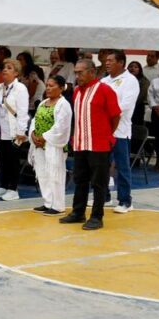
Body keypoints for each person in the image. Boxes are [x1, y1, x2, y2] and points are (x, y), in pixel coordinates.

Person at [59, 59, 121, 231]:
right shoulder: (76, 91)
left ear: (92, 72)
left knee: (99, 183)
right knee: (80, 179)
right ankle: (78, 212)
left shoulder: (105, 90)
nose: (77, 76)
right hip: (80, 143)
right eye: (76, 72)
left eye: (80, 72)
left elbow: (116, 115)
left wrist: (107, 134)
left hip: (99, 145)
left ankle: (96, 217)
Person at [29, 75, 73, 216]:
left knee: (55, 174)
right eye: (47, 85)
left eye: (52, 85)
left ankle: (58, 205)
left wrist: (44, 137)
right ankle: (48, 202)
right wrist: (33, 135)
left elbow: (61, 127)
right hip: (39, 144)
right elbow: (34, 121)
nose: (48, 88)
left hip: (54, 145)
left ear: (61, 88)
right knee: (42, 173)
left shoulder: (63, 105)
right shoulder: (43, 103)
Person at [102, 50, 140, 213]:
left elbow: (125, 105)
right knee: (101, 165)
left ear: (121, 63)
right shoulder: (104, 80)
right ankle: (104, 197)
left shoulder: (130, 81)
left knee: (122, 166)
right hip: (103, 130)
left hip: (120, 130)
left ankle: (125, 201)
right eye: (106, 60)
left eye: (111, 60)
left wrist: (106, 113)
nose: (107, 63)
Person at [0, 58, 29, 201]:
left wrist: (21, 132)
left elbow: (22, 112)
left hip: (14, 131)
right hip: (0, 130)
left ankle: (13, 189)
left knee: (13, 160)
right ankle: (3, 186)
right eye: (4, 67)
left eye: (9, 68)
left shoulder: (20, 89)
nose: (5, 70)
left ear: (16, 73)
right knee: (2, 159)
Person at [127, 60, 150, 129]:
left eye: (135, 67)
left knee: (136, 127)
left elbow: (142, 95)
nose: (133, 68)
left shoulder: (144, 81)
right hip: (125, 107)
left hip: (138, 107)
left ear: (139, 70)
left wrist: (131, 103)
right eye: (131, 66)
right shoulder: (123, 80)